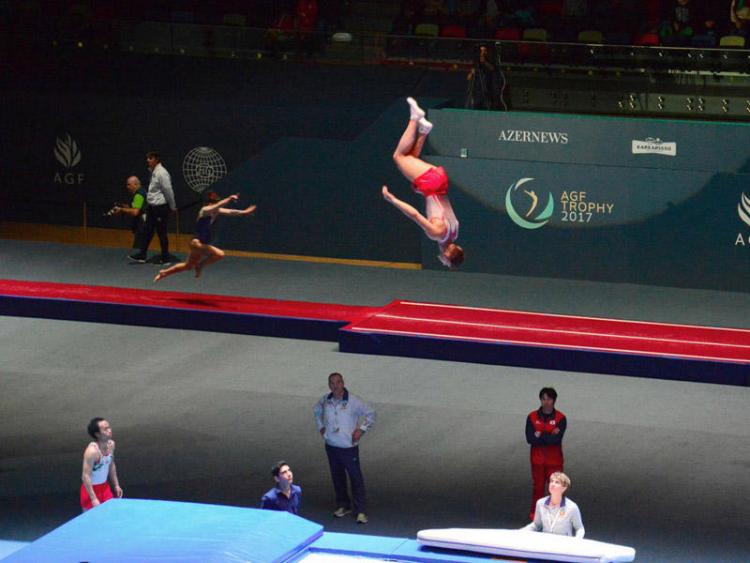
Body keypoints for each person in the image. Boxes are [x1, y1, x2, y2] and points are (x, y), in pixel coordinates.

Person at [382, 97, 464, 269]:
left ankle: (424, 130)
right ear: (447, 255)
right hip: (431, 185)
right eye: (446, 262)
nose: (442, 261)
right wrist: (393, 200)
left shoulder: (455, 232)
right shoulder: (436, 234)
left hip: (439, 184)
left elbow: (441, 205)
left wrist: (424, 193)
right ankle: (415, 117)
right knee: (399, 157)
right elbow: (414, 215)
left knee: (410, 158)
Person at [313, 372, 376, 524]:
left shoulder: (354, 401)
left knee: (355, 478)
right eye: (332, 383)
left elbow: (371, 414)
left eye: (338, 382)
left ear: (343, 383)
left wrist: (361, 430)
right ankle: (343, 505)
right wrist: (321, 427)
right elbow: (316, 410)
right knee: (337, 477)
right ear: (329, 385)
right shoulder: (325, 400)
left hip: (348, 447)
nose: (335, 386)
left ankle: (360, 510)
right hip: (331, 446)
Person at [153, 192, 256, 282]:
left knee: (188, 266)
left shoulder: (216, 210)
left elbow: (231, 212)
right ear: (209, 203)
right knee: (220, 254)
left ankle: (164, 272)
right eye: (214, 203)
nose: (216, 205)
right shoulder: (205, 210)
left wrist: (245, 212)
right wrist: (229, 198)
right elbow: (218, 205)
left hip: (201, 243)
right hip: (196, 243)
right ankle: (200, 265)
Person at [525, 387, 567, 520]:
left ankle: (557, 516)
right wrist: (549, 434)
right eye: (543, 399)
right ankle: (535, 515)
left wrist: (539, 435)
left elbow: (556, 440)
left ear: (554, 400)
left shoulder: (561, 418)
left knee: (556, 489)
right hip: (537, 461)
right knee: (538, 488)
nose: (546, 402)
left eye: (549, 399)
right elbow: (530, 439)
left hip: (555, 462)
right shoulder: (532, 417)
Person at [129, 151, 177, 264]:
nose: (147, 160)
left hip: (160, 208)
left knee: (161, 233)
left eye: (150, 158)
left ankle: (165, 258)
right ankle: (142, 255)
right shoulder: (153, 171)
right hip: (151, 207)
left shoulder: (162, 173)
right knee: (147, 231)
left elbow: (168, 190)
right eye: (147, 158)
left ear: (156, 159)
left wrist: (172, 206)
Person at [523, 471, 585, 538]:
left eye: (557, 482)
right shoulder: (540, 503)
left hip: (563, 543)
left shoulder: (572, 507)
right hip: (545, 541)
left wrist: (576, 541)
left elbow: (580, 528)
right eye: (551, 481)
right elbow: (536, 525)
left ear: (564, 488)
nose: (552, 484)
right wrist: (520, 532)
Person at [80, 417, 123, 511]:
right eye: (105, 429)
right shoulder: (92, 451)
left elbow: (111, 465)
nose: (109, 430)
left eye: (109, 427)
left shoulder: (111, 445)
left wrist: (116, 485)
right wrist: (93, 498)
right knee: (92, 518)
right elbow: (85, 476)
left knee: (109, 514)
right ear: (97, 434)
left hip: (104, 488)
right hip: (90, 490)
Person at [111, 176, 147, 252]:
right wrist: (122, 206)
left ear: (135, 184)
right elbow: (134, 206)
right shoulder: (141, 192)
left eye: (129, 184)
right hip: (142, 226)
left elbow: (135, 212)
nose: (127, 187)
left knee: (137, 249)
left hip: (142, 226)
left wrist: (121, 209)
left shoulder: (139, 195)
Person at [465, 44, 500, 110]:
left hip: (487, 82)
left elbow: (492, 68)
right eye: (481, 50)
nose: (482, 52)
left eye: (484, 50)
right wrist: (471, 74)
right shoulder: (477, 60)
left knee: (487, 97)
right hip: (478, 84)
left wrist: (484, 62)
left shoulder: (490, 59)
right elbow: (473, 69)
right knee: (477, 98)